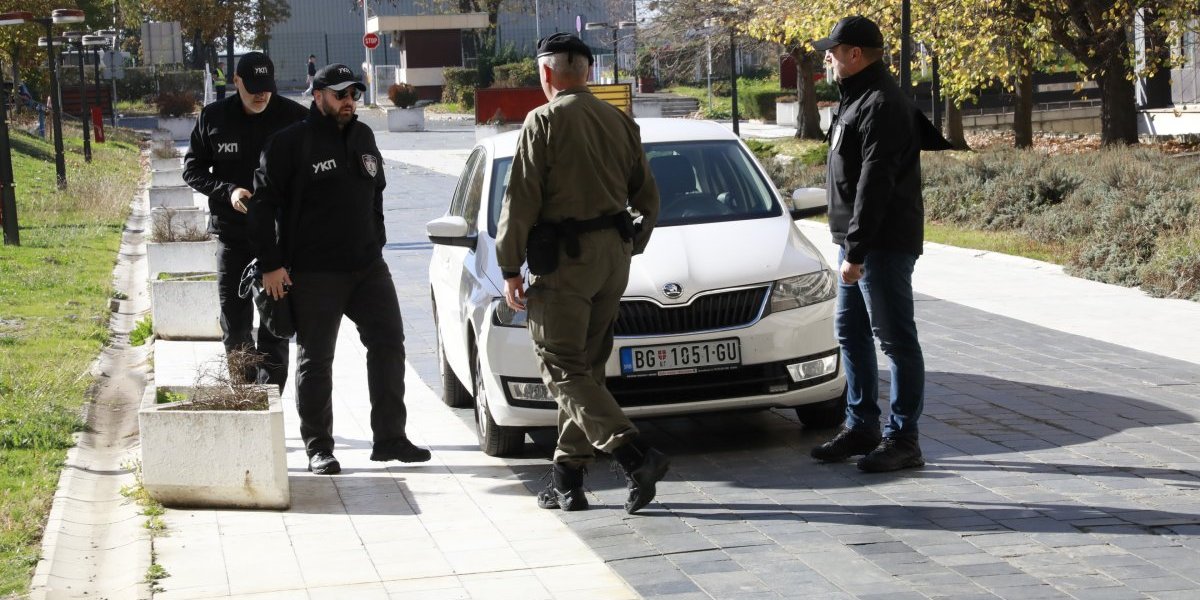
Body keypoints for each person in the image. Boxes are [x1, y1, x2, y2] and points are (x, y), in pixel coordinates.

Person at [495, 33, 666, 514]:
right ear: (587, 71)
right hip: (613, 257)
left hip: (566, 261)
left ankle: (635, 455)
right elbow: (649, 198)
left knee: (560, 366)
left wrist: (509, 266)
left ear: (545, 72)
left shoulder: (543, 120)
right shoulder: (619, 119)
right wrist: (629, 245)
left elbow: (520, 198)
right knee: (586, 369)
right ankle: (567, 478)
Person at [248, 63, 431, 475]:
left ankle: (390, 438)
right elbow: (262, 208)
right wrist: (271, 265)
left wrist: (376, 241)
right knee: (316, 359)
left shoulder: (363, 135)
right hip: (314, 272)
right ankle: (319, 447)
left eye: (354, 94)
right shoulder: (289, 143)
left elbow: (376, 191)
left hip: (368, 268)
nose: (349, 101)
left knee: (389, 343)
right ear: (318, 96)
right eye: (340, 94)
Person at [809, 16, 948, 473]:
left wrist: (857, 252)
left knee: (896, 341)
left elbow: (876, 184)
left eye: (833, 51)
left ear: (854, 54)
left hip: (879, 246)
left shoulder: (882, 103)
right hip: (857, 243)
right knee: (850, 333)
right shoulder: (857, 98)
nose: (827, 59)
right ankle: (862, 426)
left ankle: (904, 439)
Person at [183, 51, 307, 390]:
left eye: (266, 87)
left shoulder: (296, 118)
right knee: (235, 326)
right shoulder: (214, 117)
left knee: (275, 326)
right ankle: (245, 395)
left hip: (279, 242)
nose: (260, 94)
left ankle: (269, 401)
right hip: (233, 237)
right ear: (236, 81)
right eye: (252, 87)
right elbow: (192, 170)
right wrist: (228, 191)